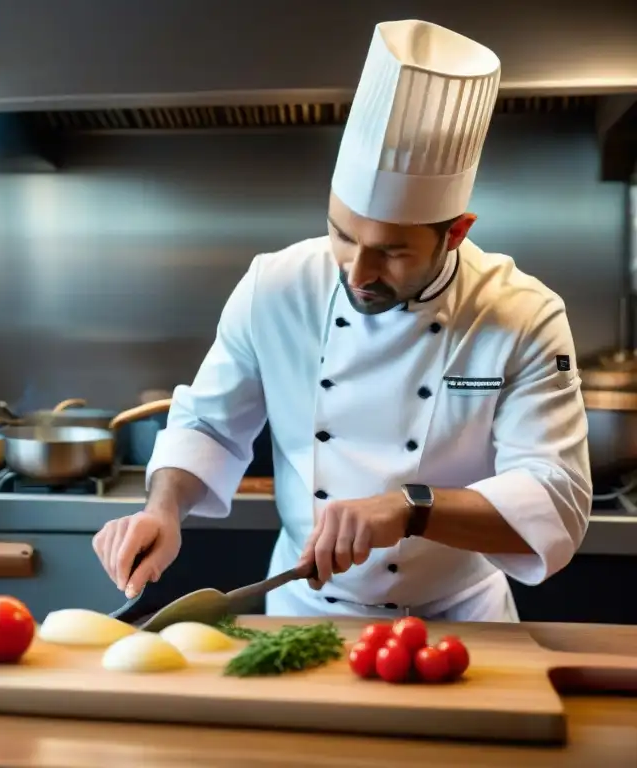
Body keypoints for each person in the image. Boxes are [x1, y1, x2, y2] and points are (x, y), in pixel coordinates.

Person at [91, 19, 592, 622]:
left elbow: (556, 498)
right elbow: (207, 424)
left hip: (463, 618)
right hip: (305, 610)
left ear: (456, 233)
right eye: (342, 235)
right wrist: (162, 510)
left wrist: (412, 508)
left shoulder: (523, 316)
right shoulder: (274, 287)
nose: (357, 272)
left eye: (393, 251)